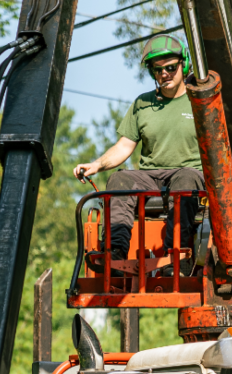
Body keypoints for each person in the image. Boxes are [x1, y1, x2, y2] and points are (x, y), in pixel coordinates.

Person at [73, 34, 204, 265]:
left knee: (186, 179)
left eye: (171, 67)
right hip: (150, 177)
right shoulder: (142, 104)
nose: (165, 74)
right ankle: (115, 253)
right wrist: (96, 165)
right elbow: (124, 146)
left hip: (188, 173)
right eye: (158, 70)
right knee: (119, 180)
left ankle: (176, 257)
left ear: (184, 66)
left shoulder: (199, 102)